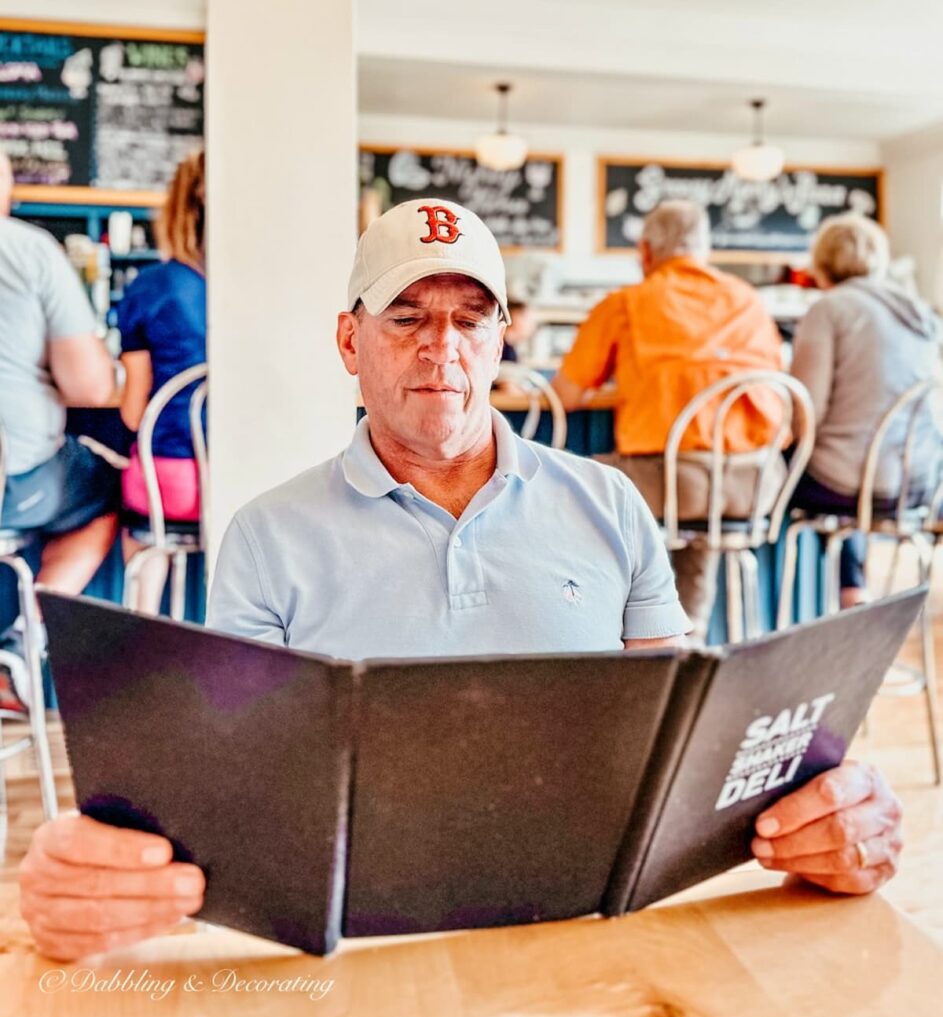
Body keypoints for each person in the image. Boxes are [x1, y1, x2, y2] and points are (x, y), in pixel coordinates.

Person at [19, 199, 904, 961]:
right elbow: (230, 788)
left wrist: (824, 809)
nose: (441, 345)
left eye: (469, 318)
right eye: (406, 315)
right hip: (363, 937)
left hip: (592, 921)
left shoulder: (612, 502)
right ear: (348, 340)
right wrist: (101, 868)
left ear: (499, 339)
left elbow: (679, 747)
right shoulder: (264, 536)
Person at [551, 200, 785, 638]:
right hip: (752, 486)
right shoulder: (748, 300)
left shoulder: (628, 303)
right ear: (705, 249)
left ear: (644, 251)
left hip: (668, 484)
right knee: (696, 509)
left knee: (575, 484)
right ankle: (688, 633)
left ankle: (601, 630)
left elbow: (563, 394)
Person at [0, 151, 120, 712]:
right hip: (15, 482)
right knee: (99, 496)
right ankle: (24, 642)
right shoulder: (26, 250)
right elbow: (93, 388)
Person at [790, 213, 943, 608]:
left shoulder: (829, 310)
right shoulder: (920, 312)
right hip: (918, 480)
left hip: (846, 484)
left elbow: (806, 413)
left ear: (821, 263)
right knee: (849, 453)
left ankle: (781, 617)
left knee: (780, 470)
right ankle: (852, 585)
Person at [117, 149, 206, 613]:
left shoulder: (149, 288)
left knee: (137, 523)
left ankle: (143, 625)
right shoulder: (257, 290)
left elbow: (135, 413)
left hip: (168, 484)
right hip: (247, 475)